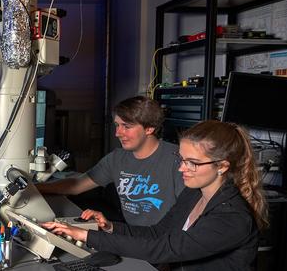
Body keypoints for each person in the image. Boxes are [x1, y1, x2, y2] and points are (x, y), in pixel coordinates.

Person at [42, 120, 282, 271]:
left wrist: (87, 236)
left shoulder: (231, 217)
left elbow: (166, 249)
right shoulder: (195, 193)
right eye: (181, 158)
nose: (181, 168)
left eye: (192, 162)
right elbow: (159, 232)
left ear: (222, 166)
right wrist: (109, 227)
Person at [37, 96, 184, 226]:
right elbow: (77, 185)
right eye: (117, 125)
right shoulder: (116, 158)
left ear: (149, 129)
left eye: (126, 126)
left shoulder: (177, 159)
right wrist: (35, 188)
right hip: (134, 235)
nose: (117, 133)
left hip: (166, 239)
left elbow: (191, 212)